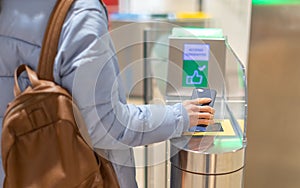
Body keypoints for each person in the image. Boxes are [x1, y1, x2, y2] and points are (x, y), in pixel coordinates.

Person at [0, 0, 215, 187]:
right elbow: (105, 125)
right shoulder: (80, 14)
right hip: (74, 175)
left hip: (15, 168)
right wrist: (179, 116)